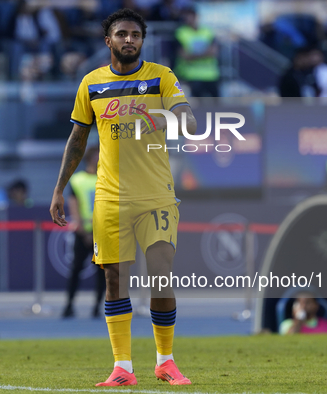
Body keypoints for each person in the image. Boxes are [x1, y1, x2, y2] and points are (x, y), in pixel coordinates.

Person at [50, 8, 196, 387]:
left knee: (161, 278)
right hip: (110, 199)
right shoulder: (92, 84)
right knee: (115, 281)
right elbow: (78, 140)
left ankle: (166, 361)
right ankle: (123, 368)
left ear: (142, 41)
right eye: (122, 34)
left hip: (156, 197)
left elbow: (190, 122)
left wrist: (162, 118)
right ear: (108, 41)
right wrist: (59, 188)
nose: (129, 40)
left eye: (135, 34)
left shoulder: (161, 77)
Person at [62, 146, 105, 318]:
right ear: (89, 158)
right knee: (76, 270)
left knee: (102, 272)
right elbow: (74, 205)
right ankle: (69, 305)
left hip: (101, 233)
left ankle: (97, 306)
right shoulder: (78, 180)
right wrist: (82, 230)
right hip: (83, 233)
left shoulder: (109, 179)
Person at [174, 6, 219, 97]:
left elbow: (214, 51)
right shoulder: (181, 33)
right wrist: (205, 54)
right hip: (190, 75)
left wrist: (194, 55)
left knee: (216, 106)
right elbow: (184, 55)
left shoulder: (207, 31)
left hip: (211, 74)